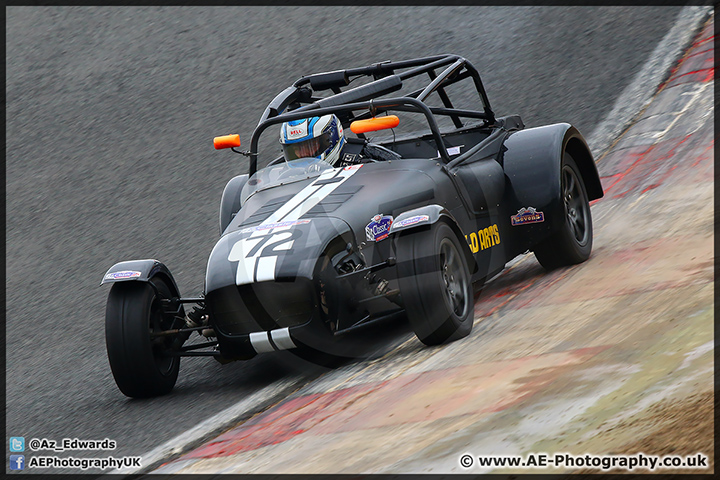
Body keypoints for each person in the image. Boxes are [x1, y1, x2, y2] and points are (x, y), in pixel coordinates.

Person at [279, 114, 400, 168]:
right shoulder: (284, 178)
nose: (303, 153)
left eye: (309, 146)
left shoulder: (364, 163)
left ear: (331, 138)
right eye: (296, 149)